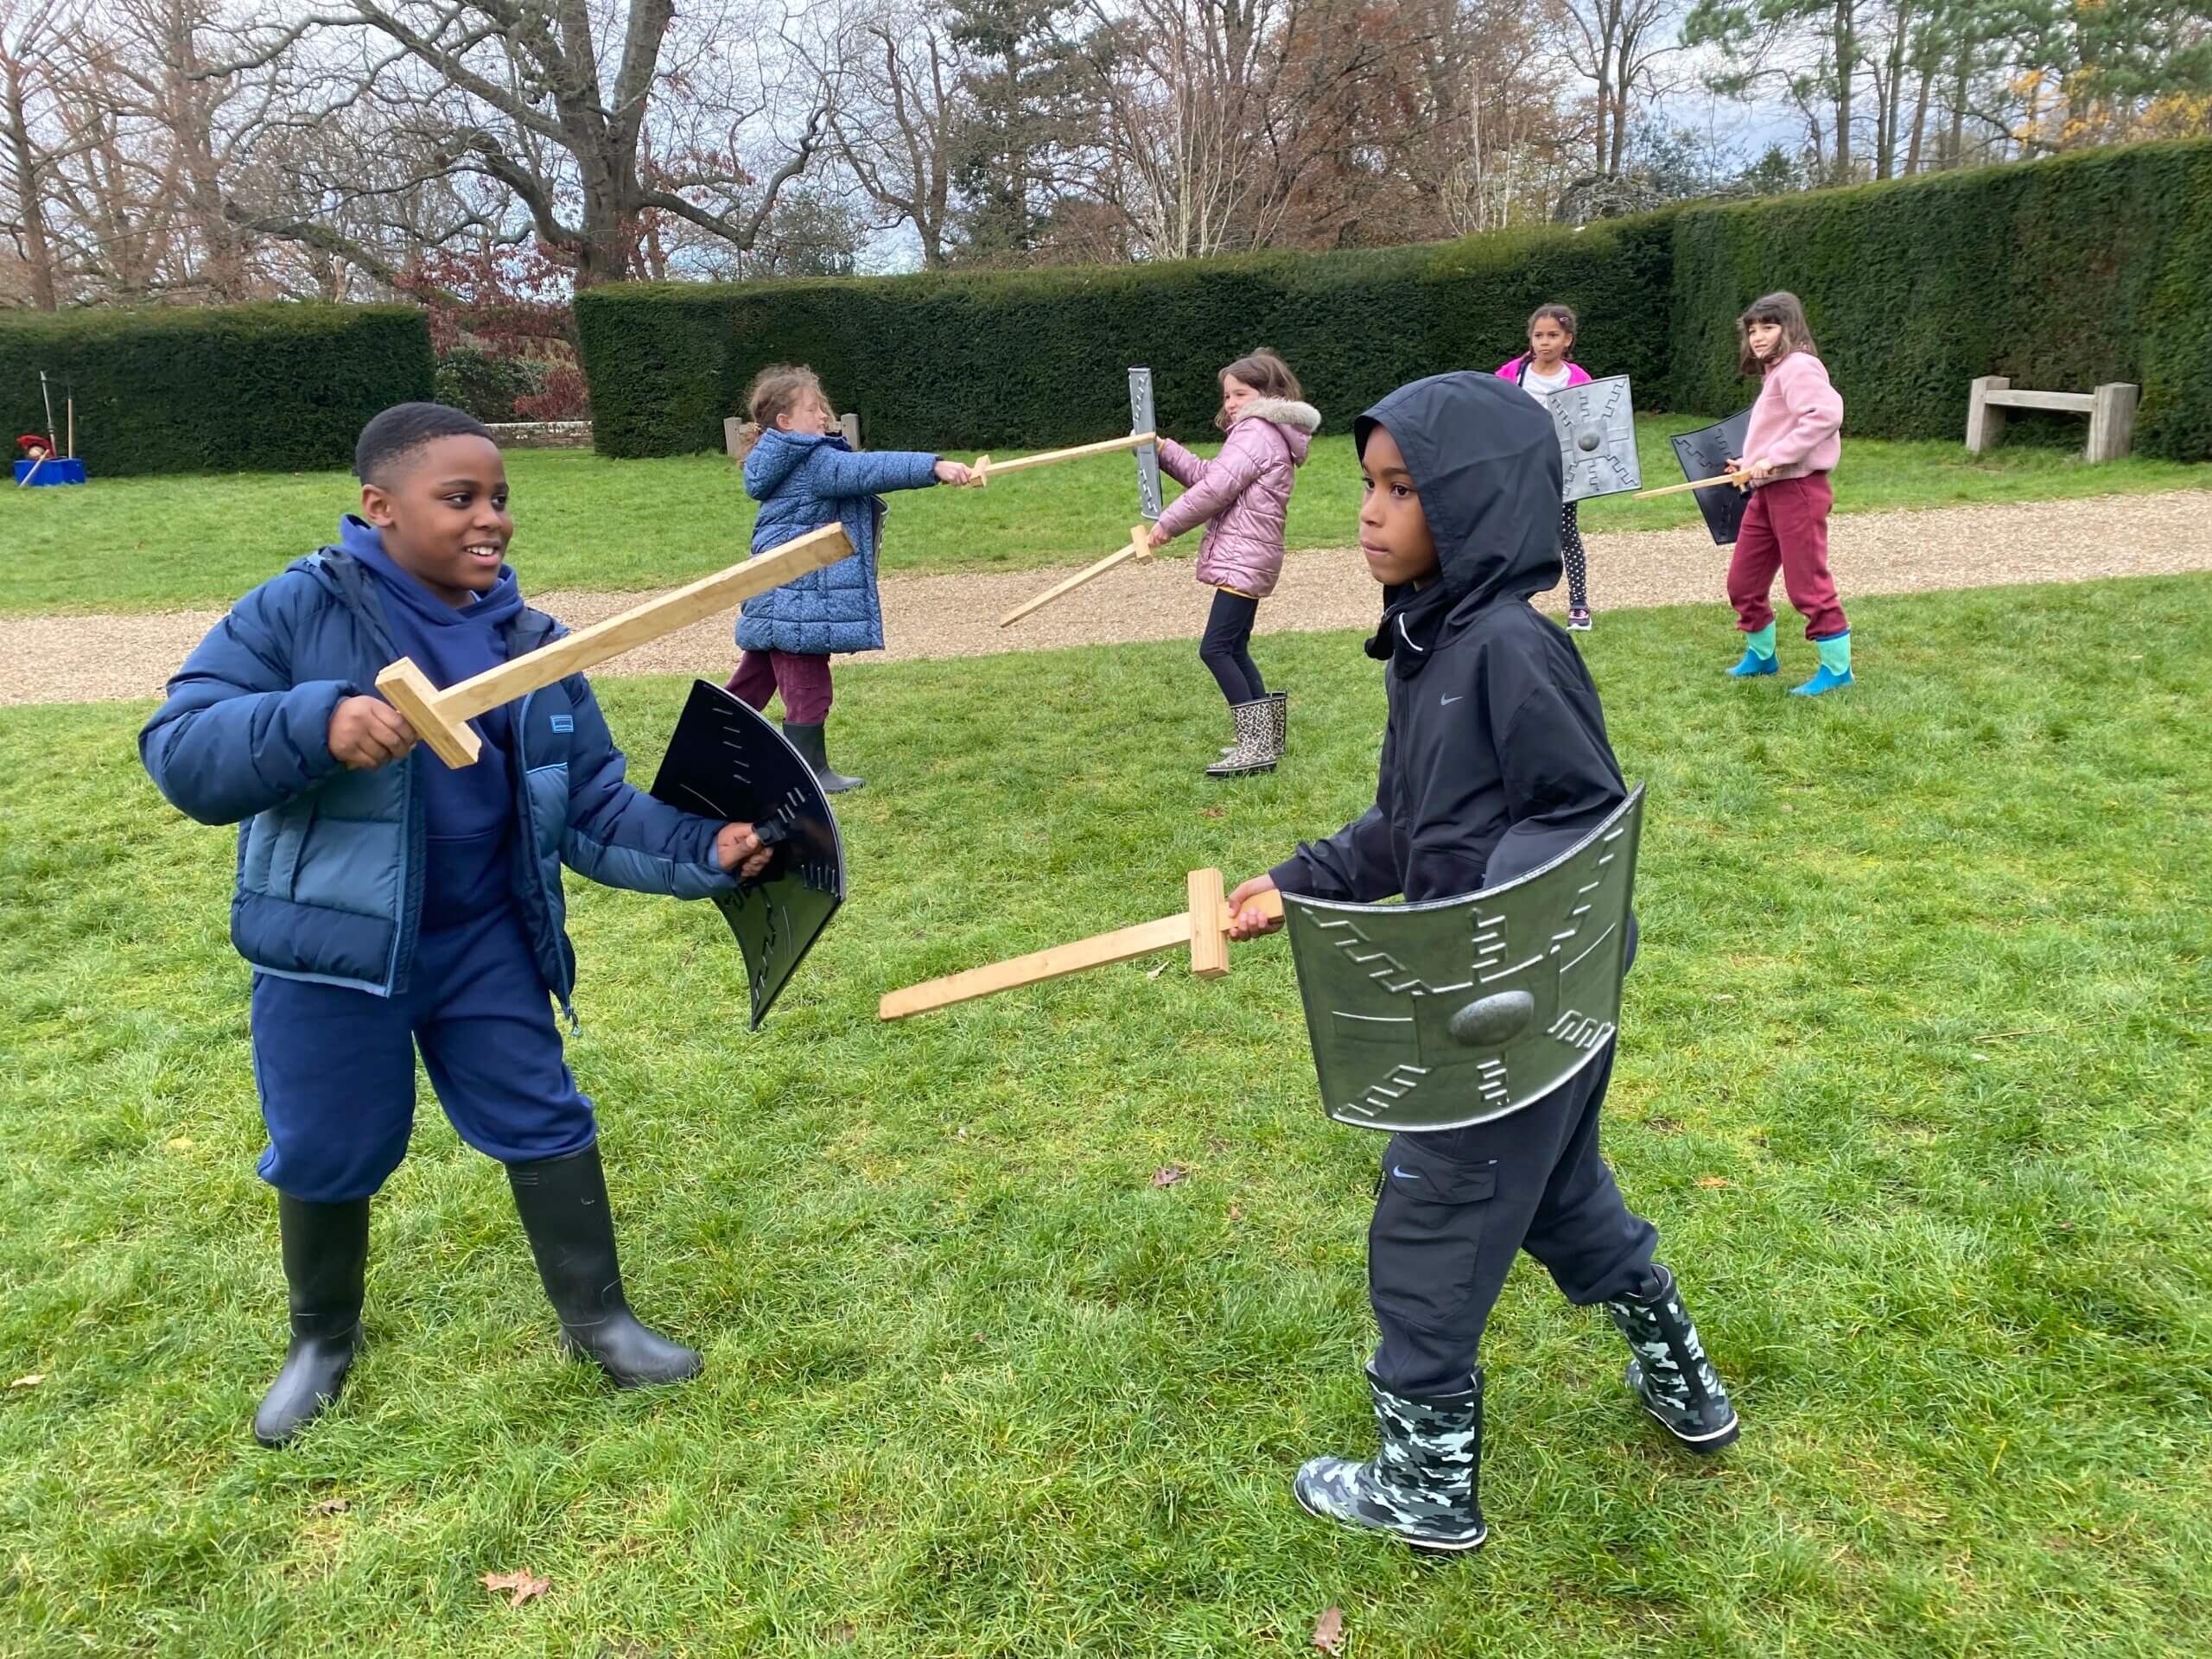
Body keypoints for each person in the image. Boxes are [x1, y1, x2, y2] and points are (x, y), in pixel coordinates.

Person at [139, 403, 776, 1448]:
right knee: (326, 1148)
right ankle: (321, 1341)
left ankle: (600, 1321)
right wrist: (316, 722)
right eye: (460, 498)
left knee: (544, 1118)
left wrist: (703, 849)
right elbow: (179, 749)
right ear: (380, 506)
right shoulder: (298, 611)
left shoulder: (534, 644)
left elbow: (590, 803)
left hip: (487, 940)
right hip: (333, 953)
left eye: (500, 499)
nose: (491, 518)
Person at [1221, 372, 1738, 1554]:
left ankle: (1427, 1489)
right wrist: (1298, 881)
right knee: (1565, 1201)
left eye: (1405, 490)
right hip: (1527, 1015)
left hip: (1503, 1011)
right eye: (1369, 485)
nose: (1371, 512)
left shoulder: (1510, 648)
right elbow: (1410, 826)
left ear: (1478, 505)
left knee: (1431, 1232)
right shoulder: (1433, 643)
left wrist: (1476, 935)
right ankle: (1686, 1384)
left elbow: (1578, 816)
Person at [726, 365, 971, 791]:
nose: (824, 415)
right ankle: (809, 772)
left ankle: (706, 747)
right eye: (812, 409)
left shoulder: (783, 461)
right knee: (807, 684)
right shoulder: (814, 462)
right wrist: (935, 467)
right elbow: (869, 469)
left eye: (822, 407)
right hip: (798, 597)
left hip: (778, 595)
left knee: (754, 681)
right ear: (785, 422)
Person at [1146, 348, 1319, 776]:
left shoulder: (1256, 432)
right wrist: (1165, 450)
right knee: (1234, 646)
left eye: (1240, 394)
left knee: (1216, 648)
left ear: (1267, 393)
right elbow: (1214, 477)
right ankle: (1266, 741)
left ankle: (1256, 747)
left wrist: (1167, 524)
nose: (1231, 403)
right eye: (1227, 396)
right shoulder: (1265, 432)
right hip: (1252, 554)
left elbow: (1214, 491)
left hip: (1245, 555)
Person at [1722, 290, 1853, 695]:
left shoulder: (1799, 366)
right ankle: (1762, 657)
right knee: (1743, 583)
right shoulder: (1777, 372)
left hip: (1798, 490)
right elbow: (1782, 429)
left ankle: (1837, 670)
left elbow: (1826, 415)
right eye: (1752, 330)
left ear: (1790, 328)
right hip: (1767, 492)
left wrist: (1776, 457)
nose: (1758, 337)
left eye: (1768, 327)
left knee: (1806, 585)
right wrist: (1750, 463)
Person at [1495, 303, 1597, 631]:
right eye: (1539, 335)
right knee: (1517, 534)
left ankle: (1579, 604)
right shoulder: (1512, 374)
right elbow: (1492, 410)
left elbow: (1592, 424)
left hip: (1563, 469)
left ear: (1568, 339)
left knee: (1566, 534)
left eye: (1553, 335)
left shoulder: (1578, 379)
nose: (1545, 342)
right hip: (1520, 469)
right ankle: (1514, 603)